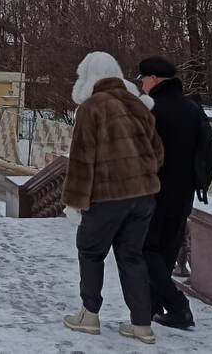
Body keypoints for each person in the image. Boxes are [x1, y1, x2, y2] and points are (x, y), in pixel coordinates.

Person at [61, 52, 164, 345]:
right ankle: (142, 324)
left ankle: (89, 315)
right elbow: (158, 154)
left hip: (108, 197)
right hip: (143, 196)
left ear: (89, 76)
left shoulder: (91, 107)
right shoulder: (138, 105)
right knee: (132, 256)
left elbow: (82, 161)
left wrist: (74, 202)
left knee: (90, 251)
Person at [137, 55, 212, 330]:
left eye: (143, 79)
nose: (141, 85)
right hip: (184, 193)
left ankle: (177, 306)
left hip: (153, 191)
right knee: (167, 251)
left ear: (153, 79)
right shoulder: (193, 109)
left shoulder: (149, 110)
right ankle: (153, 307)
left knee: (144, 248)